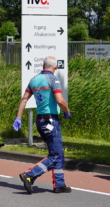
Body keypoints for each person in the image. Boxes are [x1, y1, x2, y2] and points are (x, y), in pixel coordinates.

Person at [13, 56, 72, 194]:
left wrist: (18, 117)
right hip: (51, 120)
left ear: (43, 65)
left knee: (57, 153)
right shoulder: (53, 79)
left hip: (40, 121)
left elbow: (24, 100)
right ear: (55, 67)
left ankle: (59, 184)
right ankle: (29, 175)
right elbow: (60, 100)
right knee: (56, 156)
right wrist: (67, 111)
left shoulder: (34, 80)